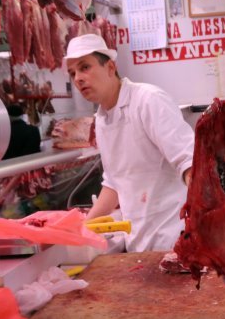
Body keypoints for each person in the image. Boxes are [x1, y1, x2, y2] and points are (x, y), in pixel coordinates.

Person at [65, 34, 194, 252]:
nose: (78, 78)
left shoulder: (148, 100)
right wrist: (82, 229)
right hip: (138, 241)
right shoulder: (102, 119)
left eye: (85, 67)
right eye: (72, 73)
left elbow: (189, 162)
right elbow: (114, 182)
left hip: (176, 237)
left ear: (110, 67)